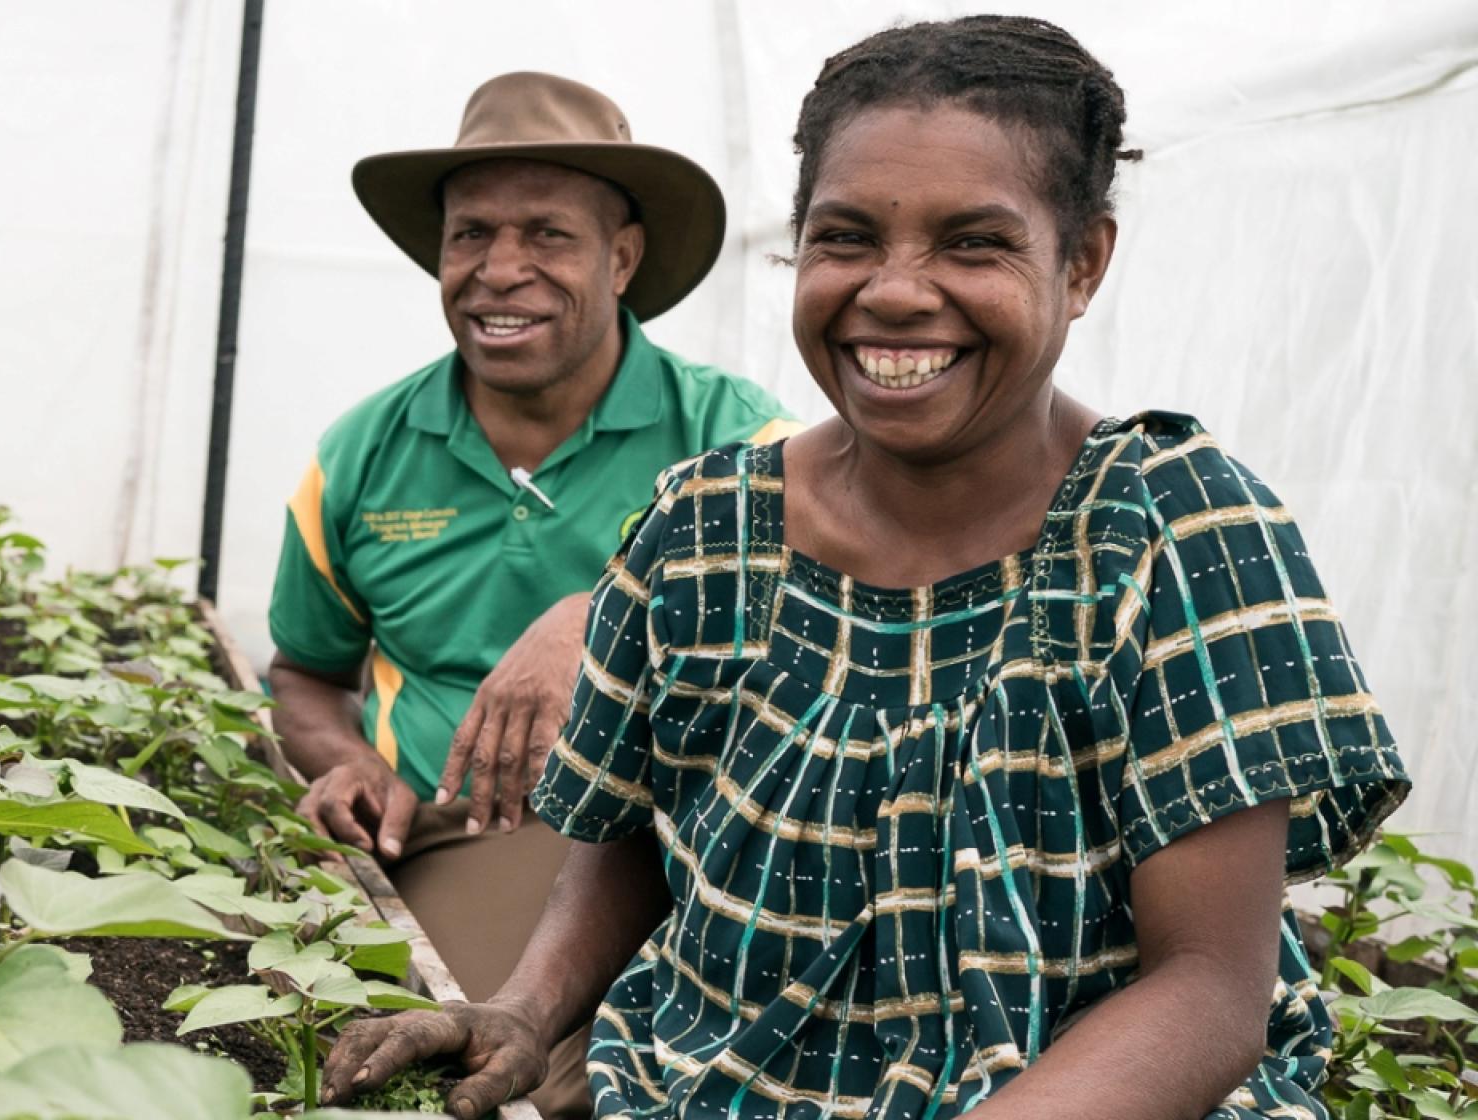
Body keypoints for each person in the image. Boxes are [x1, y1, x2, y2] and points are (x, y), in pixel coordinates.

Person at [320, 17, 1413, 1120]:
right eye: (844, 237)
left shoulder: (1170, 530)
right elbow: (630, 844)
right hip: (716, 1085)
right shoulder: (704, 528)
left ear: (1080, 263)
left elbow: (1210, 986)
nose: (894, 291)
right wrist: (523, 1007)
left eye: (973, 243)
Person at [267, 72, 796, 1118]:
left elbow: (826, 606)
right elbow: (303, 673)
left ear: (623, 258)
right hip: (460, 843)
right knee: (533, 1075)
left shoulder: (741, 439)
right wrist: (352, 763)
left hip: (680, 841)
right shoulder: (361, 455)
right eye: (470, 236)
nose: (498, 271)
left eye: (547, 235)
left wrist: (603, 613)